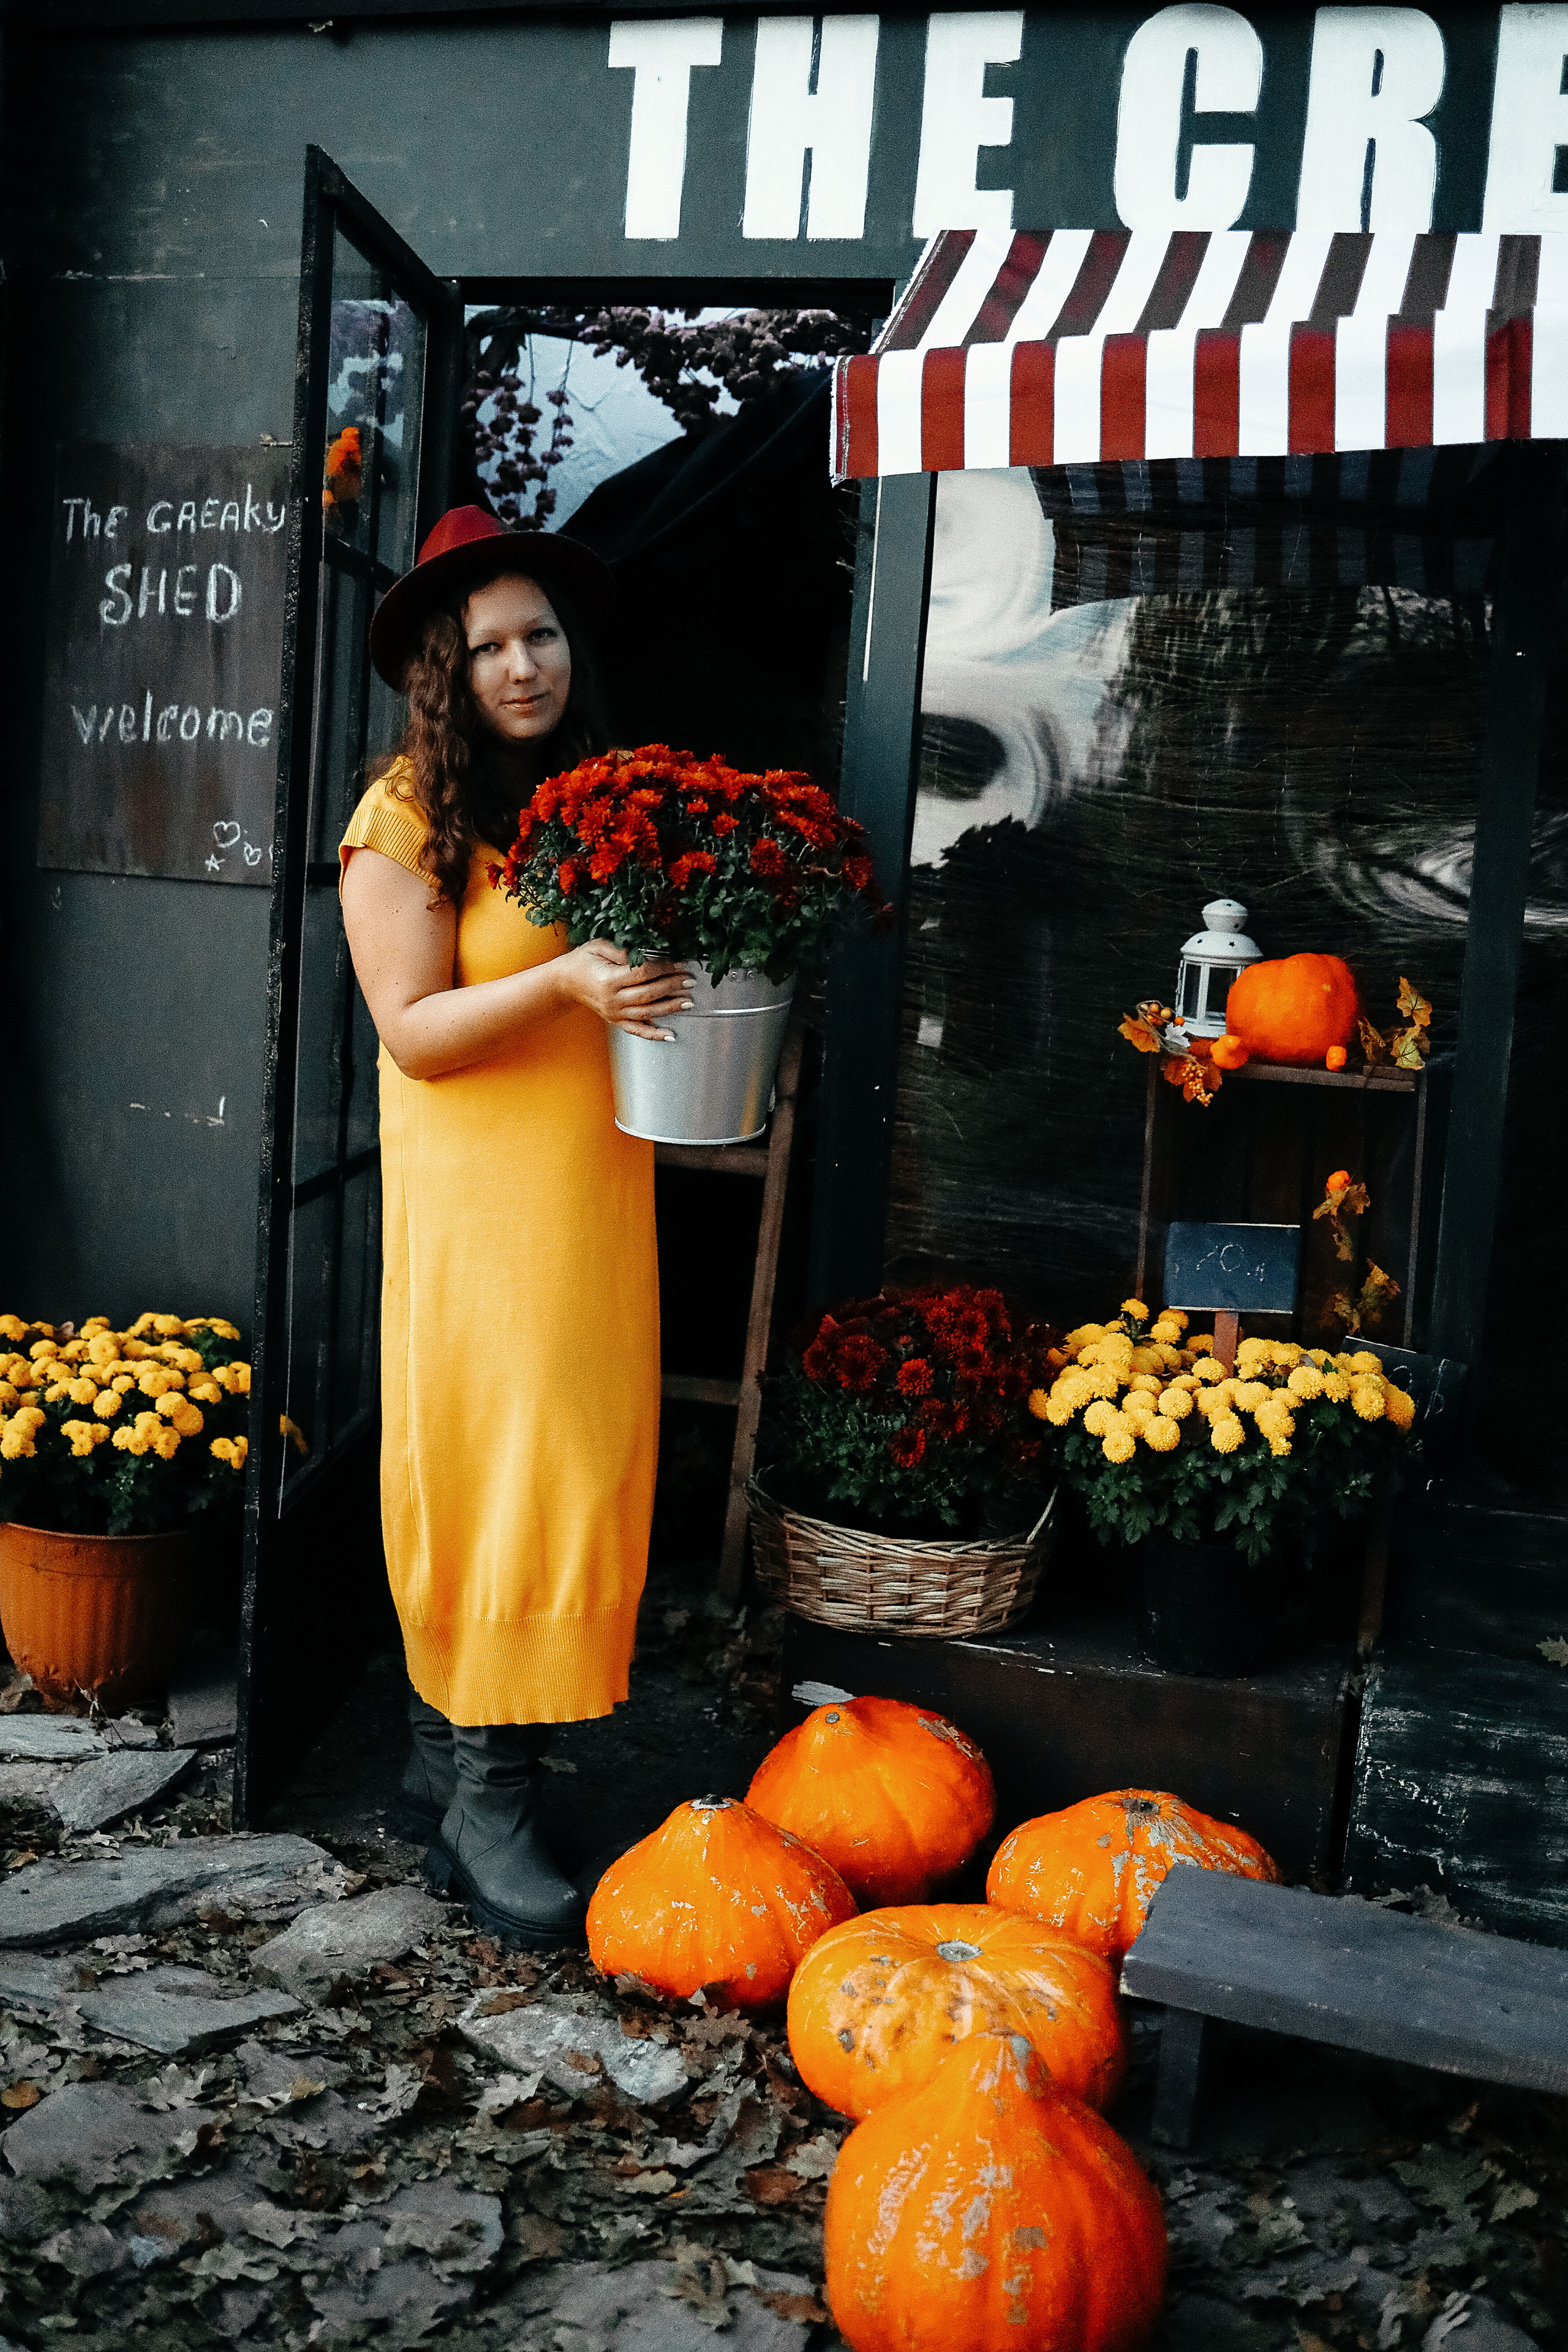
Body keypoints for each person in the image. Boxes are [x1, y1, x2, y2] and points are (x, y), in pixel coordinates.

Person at [339, 505, 688, 1947]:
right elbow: (412, 1030)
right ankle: (488, 1792)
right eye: (488, 645)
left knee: (580, 1453)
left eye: (539, 632)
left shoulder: (589, 800)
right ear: (444, 665)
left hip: (591, 1189)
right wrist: (562, 989)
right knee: (497, 1460)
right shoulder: (403, 816)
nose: (522, 663)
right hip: (485, 1212)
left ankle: (441, 1761)